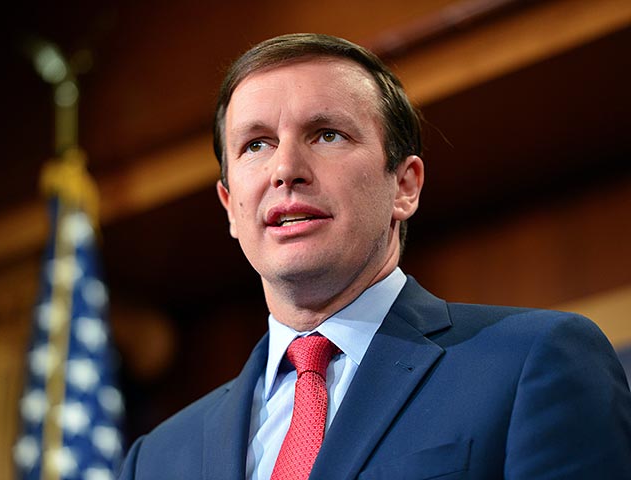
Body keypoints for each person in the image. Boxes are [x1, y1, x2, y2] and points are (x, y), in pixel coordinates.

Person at [118, 33, 631, 479]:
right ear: (231, 207)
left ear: (404, 186)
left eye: (327, 134)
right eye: (256, 144)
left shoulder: (532, 363)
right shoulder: (156, 459)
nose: (286, 169)